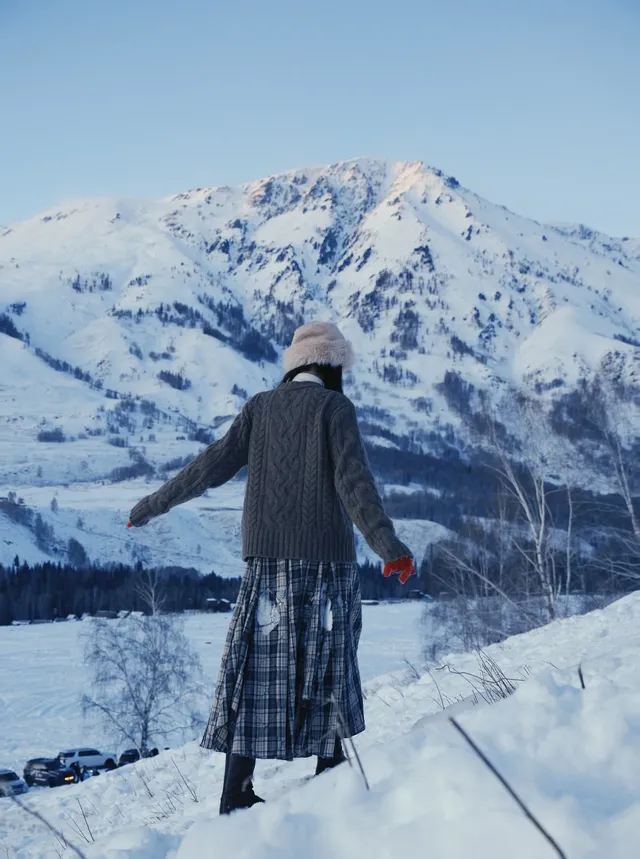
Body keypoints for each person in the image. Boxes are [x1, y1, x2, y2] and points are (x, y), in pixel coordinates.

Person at [128, 321, 415, 814]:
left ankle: (234, 793)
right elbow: (355, 485)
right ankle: (331, 773)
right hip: (325, 564)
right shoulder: (335, 408)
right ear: (330, 365)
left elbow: (209, 466)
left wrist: (150, 506)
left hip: (265, 566)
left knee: (255, 668)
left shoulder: (259, 407)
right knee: (327, 659)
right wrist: (390, 548)